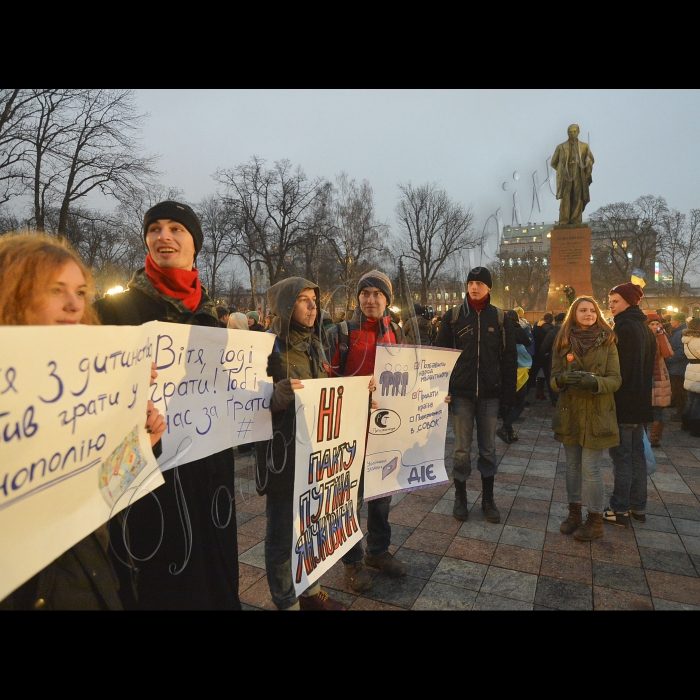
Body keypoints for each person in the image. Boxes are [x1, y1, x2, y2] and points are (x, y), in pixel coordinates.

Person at [0, 232, 166, 610]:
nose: (74, 305)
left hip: (89, 580)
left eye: (80, 292)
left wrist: (139, 444)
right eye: (56, 290)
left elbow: (100, 495)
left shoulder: (87, 388)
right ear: (12, 292)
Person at [95, 200, 242, 609]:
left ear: (194, 243)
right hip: (145, 477)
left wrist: (274, 395)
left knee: (212, 572)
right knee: (159, 579)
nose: (164, 236)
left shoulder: (212, 315)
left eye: (176, 228)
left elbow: (233, 389)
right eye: (155, 228)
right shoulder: (114, 310)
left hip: (209, 472)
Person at [254, 277, 346, 610]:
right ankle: (286, 602)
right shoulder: (265, 347)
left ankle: (310, 590)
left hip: (314, 454)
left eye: (314, 300)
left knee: (309, 526)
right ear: (284, 306)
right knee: (280, 535)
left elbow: (325, 393)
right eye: (303, 300)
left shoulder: (316, 344)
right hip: (281, 458)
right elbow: (245, 402)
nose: (312, 306)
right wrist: (272, 399)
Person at [326, 270, 406, 592]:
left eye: (378, 294)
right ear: (358, 298)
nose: (371, 299)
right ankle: (352, 562)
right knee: (351, 499)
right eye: (366, 293)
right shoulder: (341, 333)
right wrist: (357, 388)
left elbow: (407, 376)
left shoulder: (396, 332)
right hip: (351, 431)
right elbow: (326, 382)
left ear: (387, 300)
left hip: (385, 432)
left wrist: (432, 393)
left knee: (381, 497)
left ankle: (378, 552)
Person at [435, 267, 517, 523]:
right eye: (471, 282)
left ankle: (488, 499)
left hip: (490, 396)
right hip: (461, 395)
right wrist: (442, 391)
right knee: (460, 450)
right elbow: (440, 358)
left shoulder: (500, 319)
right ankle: (460, 498)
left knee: (488, 450)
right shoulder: (454, 317)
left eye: (480, 283)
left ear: (489, 287)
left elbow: (509, 360)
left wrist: (508, 398)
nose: (474, 287)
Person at [551, 297, 621, 541]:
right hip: (569, 412)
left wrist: (594, 383)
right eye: (583, 310)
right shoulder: (561, 341)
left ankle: (595, 521)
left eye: (592, 310)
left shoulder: (608, 340)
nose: (588, 314)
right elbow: (553, 376)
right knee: (572, 467)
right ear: (574, 313)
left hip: (597, 413)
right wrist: (559, 381)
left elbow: (615, 379)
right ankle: (574, 513)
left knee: (591, 468)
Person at [603, 282, 656, 527]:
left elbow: (618, 370)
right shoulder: (645, 326)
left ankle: (619, 509)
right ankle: (639, 508)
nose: (611, 306)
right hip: (642, 404)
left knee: (622, 457)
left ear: (628, 301)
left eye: (615, 301)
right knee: (636, 456)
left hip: (624, 403)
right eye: (610, 301)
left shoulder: (623, 326)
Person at [496, 310, 532, 444]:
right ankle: (506, 427)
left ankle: (509, 433)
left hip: (504, 371)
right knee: (520, 404)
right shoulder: (519, 330)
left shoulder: (500, 331)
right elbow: (528, 344)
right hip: (520, 370)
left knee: (506, 403)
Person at [550, 123, 595, 225]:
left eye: (574, 131)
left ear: (578, 132)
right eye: (570, 132)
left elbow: (591, 158)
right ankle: (564, 220)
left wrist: (587, 163)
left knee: (577, 197)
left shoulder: (584, 146)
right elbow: (553, 162)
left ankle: (576, 220)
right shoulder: (561, 147)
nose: (572, 134)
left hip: (579, 174)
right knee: (565, 197)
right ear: (567, 133)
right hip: (566, 175)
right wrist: (561, 170)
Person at [645, 313, 673, 446]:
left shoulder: (662, 336)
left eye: (657, 324)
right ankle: (643, 438)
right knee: (644, 408)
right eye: (652, 324)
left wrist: (661, 335)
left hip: (659, 376)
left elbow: (667, 353)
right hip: (645, 376)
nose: (655, 326)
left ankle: (655, 439)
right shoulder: (643, 337)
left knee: (658, 409)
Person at [539, 312, 566, 406]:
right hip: (571, 360)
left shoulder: (552, 332)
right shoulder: (572, 331)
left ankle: (555, 400)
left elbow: (543, 348)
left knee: (554, 378)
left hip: (553, 360)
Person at [666, 311, 689, 420]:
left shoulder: (680, 333)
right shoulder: (677, 331)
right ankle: (679, 409)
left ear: (678, 321)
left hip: (678, 368)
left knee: (679, 392)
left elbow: (681, 352)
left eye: (672, 319)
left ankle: (681, 414)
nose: (670, 321)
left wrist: (669, 359)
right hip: (677, 367)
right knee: (677, 391)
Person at [681, 318, 700, 437]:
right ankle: (696, 428)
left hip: (691, 368)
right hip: (698, 370)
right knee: (697, 401)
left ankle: (686, 424)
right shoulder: (697, 340)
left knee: (690, 400)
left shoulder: (687, 339)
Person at [530, 313, 554, 398]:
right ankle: (553, 398)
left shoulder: (536, 330)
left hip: (536, 355)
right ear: (552, 320)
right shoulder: (553, 330)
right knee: (549, 378)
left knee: (531, 377)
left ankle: (524, 397)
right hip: (547, 356)